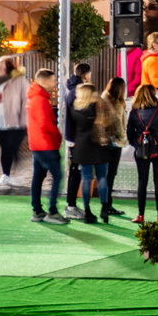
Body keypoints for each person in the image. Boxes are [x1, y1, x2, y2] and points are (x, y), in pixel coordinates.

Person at [126, 83, 158, 224]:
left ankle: (140, 215)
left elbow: (129, 133)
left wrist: (137, 144)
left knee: (142, 181)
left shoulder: (134, 112)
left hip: (141, 150)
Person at [0, 56, 30, 188]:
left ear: (9, 68)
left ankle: (13, 167)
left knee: (11, 146)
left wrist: (23, 119)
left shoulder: (19, 81)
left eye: (3, 67)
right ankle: (6, 174)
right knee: (5, 147)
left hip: (16, 122)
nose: (0, 69)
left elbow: (27, 100)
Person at [26, 68, 68, 224]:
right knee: (57, 176)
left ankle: (37, 210)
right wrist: (58, 137)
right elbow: (47, 124)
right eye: (52, 80)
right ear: (44, 82)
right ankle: (52, 211)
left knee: (38, 177)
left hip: (37, 144)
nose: (55, 83)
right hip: (46, 144)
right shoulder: (40, 99)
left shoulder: (34, 97)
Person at [66, 83, 105, 223]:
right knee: (99, 177)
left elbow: (71, 128)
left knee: (85, 177)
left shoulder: (76, 109)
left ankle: (85, 209)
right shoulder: (97, 108)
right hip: (94, 147)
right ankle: (102, 206)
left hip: (81, 148)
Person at [62, 62, 91, 218]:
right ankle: (71, 207)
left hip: (73, 136)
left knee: (76, 171)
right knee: (76, 172)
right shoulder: (79, 91)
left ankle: (71, 206)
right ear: (86, 75)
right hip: (78, 137)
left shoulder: (71, 90)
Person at [100, 75, 129, 218]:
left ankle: (106, 204)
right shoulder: (116, 103)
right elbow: (118, 123)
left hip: (103, 141)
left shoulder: (104, 98)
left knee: (105, 174)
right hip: (115, 142)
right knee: (110, 174)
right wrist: (123, 136)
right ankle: (107, 205)